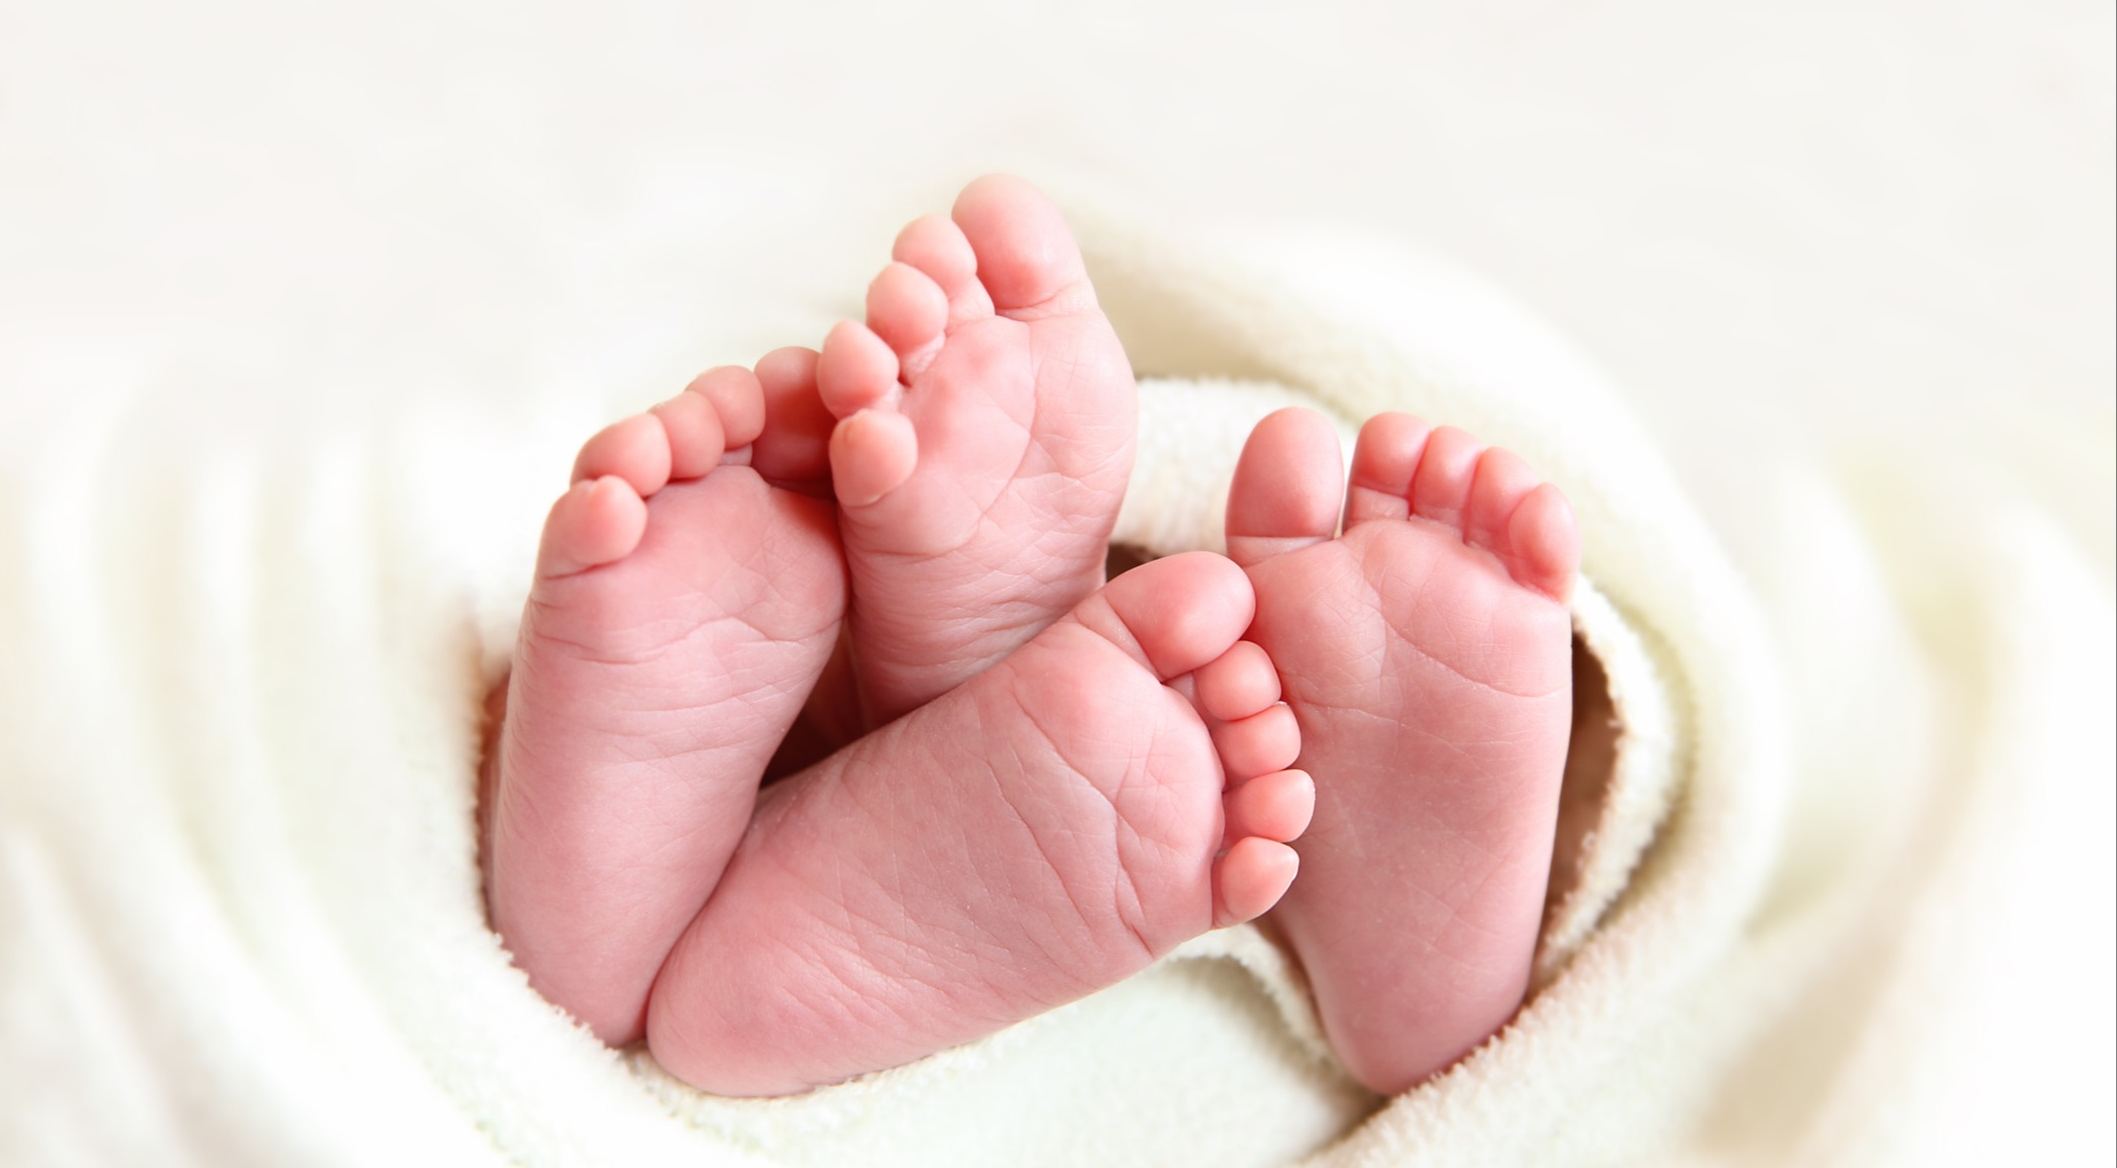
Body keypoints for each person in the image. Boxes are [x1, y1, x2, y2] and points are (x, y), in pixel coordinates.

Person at [480, 175, 1578, 1098]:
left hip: (1199, 647)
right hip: (1217, 685)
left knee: (1319, 624)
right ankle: (1421, 991)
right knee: (1354, 629)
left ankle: (613, 916)